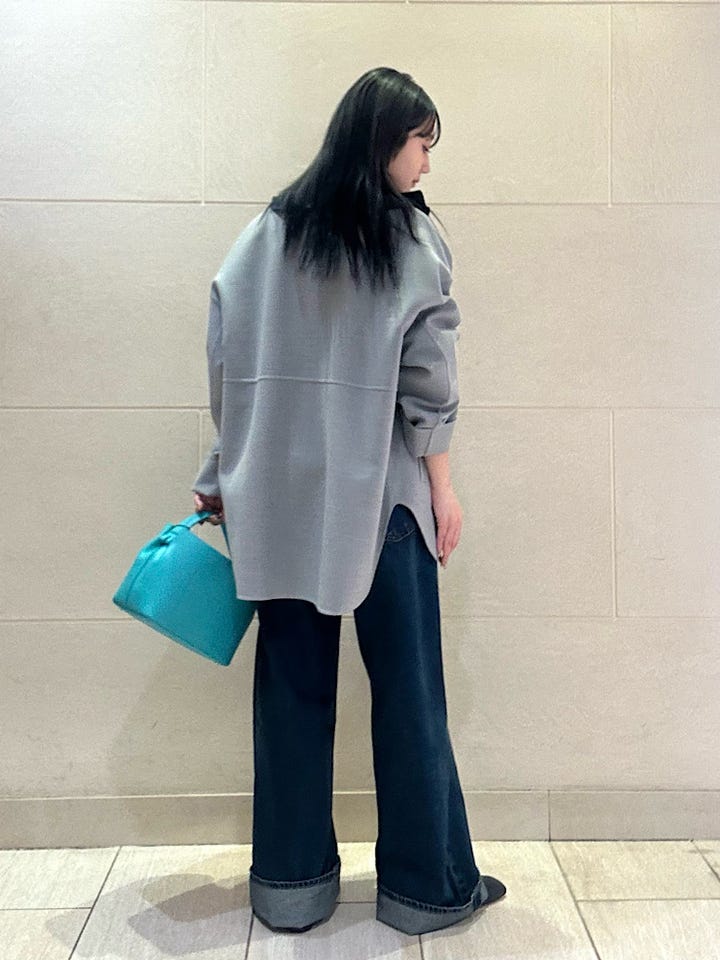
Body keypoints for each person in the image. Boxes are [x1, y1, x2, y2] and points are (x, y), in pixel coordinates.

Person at [191, 66, 506, 936]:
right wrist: (443, 489)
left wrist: (224, 469)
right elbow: (429, 379)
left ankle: (289, 890)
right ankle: (425, 890)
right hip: (386, 504)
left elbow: (227, 362)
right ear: (384, 142)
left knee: (291, 692)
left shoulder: (266, 233)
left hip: (281, 502)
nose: (426, 165)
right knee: (410, 694)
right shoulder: (408, 238)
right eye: (421, 145)